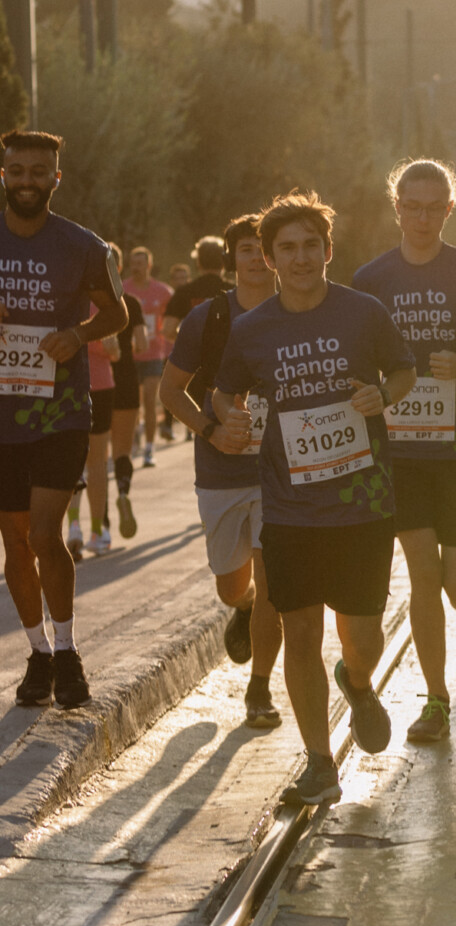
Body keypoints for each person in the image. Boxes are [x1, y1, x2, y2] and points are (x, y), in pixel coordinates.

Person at [213, 191, 416, 806]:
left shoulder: (365, 313)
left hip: (363, 503)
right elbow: (223, 394)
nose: (300, 258)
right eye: (286, 249)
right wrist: (230, 420)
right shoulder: (250, 330)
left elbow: (403, 370)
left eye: (310, 246)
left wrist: (386, 395)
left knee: (363, 637)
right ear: (270, 259)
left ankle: (357, 685)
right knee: (299, 632)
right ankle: (319, 763)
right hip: (290, 508)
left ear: (328, 250)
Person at [353, 160, 456, 745]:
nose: (421, 217)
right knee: (423, 576)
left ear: (450, 208)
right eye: (410, 206)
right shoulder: (370, 279)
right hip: (400, 451)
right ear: (396, 208)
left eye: (433, 206)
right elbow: (353, 355)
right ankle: (437, 701)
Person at [0, 131, 128, 709]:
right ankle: (38, 656)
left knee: (45, 534)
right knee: (14, 541)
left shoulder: (82, 246)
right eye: (18, 170)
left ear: (56, 178)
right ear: (4, 174)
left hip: (60, 411)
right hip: (3, 415)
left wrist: (78, 334)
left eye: (39, 172)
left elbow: (118, 312)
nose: (28, 180)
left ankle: (69, 650)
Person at [162, 215, 284, 730]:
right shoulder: (209, 318)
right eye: (248, 249)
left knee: (275, 583)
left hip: (283, 475)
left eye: (265, 249)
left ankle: (259, 687)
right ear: (232, 257)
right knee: (234, 587)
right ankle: (243, 606)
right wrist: (211, 430)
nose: (257, 258)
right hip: (220, 471)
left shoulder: (299, 311)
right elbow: (171, 392)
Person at [65, 331, 119, 555]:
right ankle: (96, 532)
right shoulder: (104, 300)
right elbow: (115, 353)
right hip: (97, 386)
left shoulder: (58, 298)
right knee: (97, 462)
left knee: (72, 460)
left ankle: (74, 527)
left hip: (66, 385)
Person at [104, 243, 143, 542]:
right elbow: (141, 345)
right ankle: (123, 491)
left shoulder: (88, 301)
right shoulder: (132, 302)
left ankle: (100, 518)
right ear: (119, 267)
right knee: (122, 449)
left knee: (94, 455)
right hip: (127, 378)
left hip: (96, 382)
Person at [123, 247, 172, 466]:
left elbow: (171, 321)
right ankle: (134, 440)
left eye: (141, 263)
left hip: (153, 354)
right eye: (133, 263)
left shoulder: (163, 292)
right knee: (133, 404)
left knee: (150, 401)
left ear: (149, 266)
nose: (136, 267)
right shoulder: (123, 289)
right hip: (129, 356)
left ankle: (149, 449)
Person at [163, 236, 229, 340]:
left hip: (194, 354)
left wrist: (188, 342)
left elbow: (168, 330)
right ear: (223, 263)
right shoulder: (235, 291)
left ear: (198, 263)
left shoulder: (184, 292)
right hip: (228, 354)